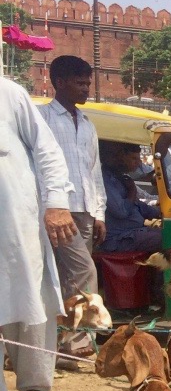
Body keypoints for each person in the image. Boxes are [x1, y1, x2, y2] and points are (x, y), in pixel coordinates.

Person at [0, 76, 75, 391]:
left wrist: (57, 202)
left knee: (31, 296)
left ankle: (35, 385)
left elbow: (48, 151)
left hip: (16, 221)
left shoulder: (9, 94)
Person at [38, 55, 104, 361]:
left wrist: (99, 213)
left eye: (88, 83)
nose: (86, 88)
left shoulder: (88, 124)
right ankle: (78, 342)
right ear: (59, 82)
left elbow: (94, 171)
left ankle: (60, 345)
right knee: (82, 271)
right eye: (80, 83)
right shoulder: (42, 119)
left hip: (85, 209)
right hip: (56, 210)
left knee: (68, 278)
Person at [98, 141, 162, 253]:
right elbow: (121, 211)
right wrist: (132, 191)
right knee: (168, 238)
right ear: (121, 157)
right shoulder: (105, 180)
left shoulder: (120, 178)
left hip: (134, 232)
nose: (138, 163)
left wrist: (161, 211)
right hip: (118, 239)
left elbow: (138, 205)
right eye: (133, 159)